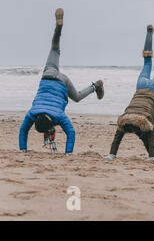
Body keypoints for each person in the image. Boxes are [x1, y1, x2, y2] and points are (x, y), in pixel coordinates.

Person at [19, 8, 104, 155]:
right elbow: (23, 130)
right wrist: (22, 149)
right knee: (54, 48)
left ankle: (95, 86)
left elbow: (71, 133)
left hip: (62, 82)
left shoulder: (59, 116)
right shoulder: (32, 113)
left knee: (76, 96)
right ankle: (58, 29)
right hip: (48, 75)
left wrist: (68, 153)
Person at [104, 25, 154, 161]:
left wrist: (153, 156)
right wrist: (111, 154)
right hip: (141, 88)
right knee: (147, 62)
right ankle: (150, 33)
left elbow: (152, 135)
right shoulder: (124, 119)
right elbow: (116, 139)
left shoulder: (141, 122)